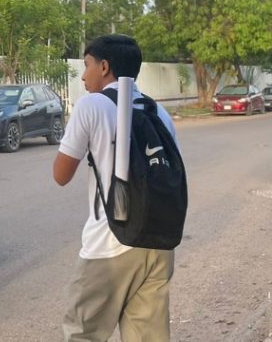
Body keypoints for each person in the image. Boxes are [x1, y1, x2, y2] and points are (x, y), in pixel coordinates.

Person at [51, 34, 179, 342]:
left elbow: (60, 174)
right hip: (158, 241)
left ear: (104, 67)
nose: (83, 75)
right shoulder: (157, 111)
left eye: (87, 65)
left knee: (83, 333)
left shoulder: (91, 105)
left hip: (110, 243)